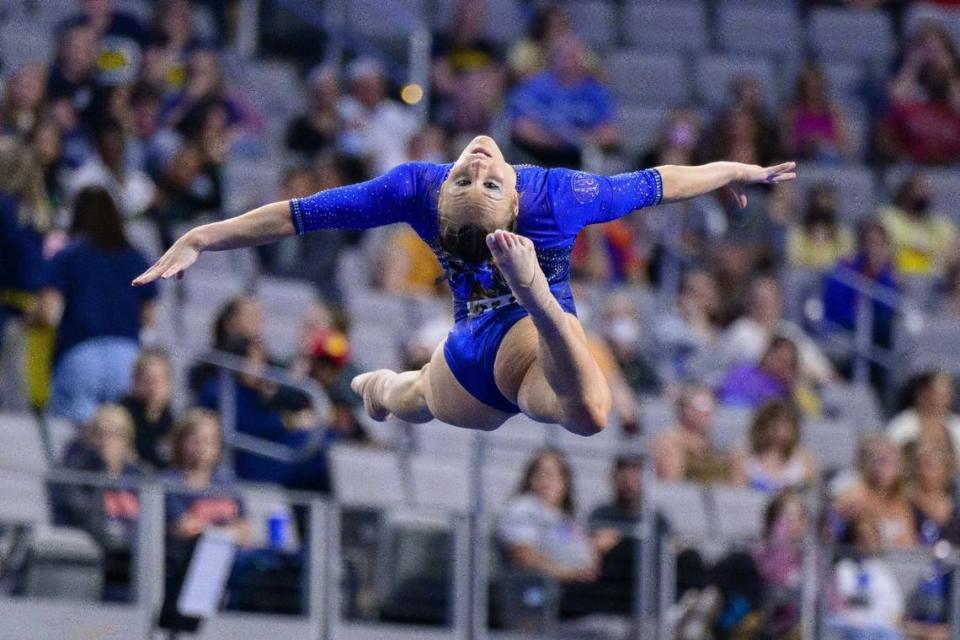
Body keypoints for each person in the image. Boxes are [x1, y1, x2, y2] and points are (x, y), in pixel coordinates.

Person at [134, 134, 796, 437]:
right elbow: (297, 216)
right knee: (419, 392)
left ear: (513, 208)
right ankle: (385, 382)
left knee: (585, 411)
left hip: (527, 348)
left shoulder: (532, 193)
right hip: (477, 349)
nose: (479, 167)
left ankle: (384, 382)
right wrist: (203, 236)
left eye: (479, 180)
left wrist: (729, 169)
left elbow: (660, 182)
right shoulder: (518, 194)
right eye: (471, 180)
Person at [40, 186, 159, 424]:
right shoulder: (137, 258)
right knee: (119, 434)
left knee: (78, 439)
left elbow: (48, 312)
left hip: (80, 353)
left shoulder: (68, 256)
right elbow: (148, 319)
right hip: (127, 357)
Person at [495, 449, 616, 619]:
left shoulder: (565, 518)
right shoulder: (523, 509)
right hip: (538, 600)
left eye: (554, 475)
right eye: (541, 474)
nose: (547, 482)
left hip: (576, 597)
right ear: (529, 479)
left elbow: (583, 558)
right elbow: (524, 557)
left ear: (565, 482)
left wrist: (594, 548)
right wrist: (572, 575)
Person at [59, 404, 146, 601]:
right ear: (89, 438)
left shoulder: (142, 477)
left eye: (115, 434)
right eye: (100, 433)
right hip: (96, 556)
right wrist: (102, 472)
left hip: (133, 559)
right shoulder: (77, 475)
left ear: (127, 439)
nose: (106, 441)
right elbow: (84, 518)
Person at [832, 436, 918, 550]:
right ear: (869, 464)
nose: (885, 468)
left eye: (892, 462)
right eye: (881, 461)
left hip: (899, 561)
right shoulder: (855, 495)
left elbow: (909, 542)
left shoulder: (903, 501)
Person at [651, 385, 742, 486]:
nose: (708, 413)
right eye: (703, 407)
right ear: (685, 409)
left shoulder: (710, 443)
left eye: (711, 408)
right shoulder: (670, 442)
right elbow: (671, 486)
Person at [879, 172, 957, 277]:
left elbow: (952, 252)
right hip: (899, 278)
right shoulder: (887, 218)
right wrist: (931, 252)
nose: (927, 193)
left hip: (935, 281)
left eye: (929, 189)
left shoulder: (940, 223)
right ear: (906, 191)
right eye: (921, 188)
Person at [741, 400, 818, 494]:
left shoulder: (804, 459)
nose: (782, 430)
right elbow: (737, 495)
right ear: (763, 425)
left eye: (787, 425)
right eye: (777, 424)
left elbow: (811, 493)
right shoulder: (744, 456)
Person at [781, 63, 851, 162]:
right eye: (808, 86)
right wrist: (806, 144)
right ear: (801, 88)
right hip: (801, 163)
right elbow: (786, 147)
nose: (812, 90)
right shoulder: (792, 113)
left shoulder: (834, 112)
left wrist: (822, 143)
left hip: (831, 162)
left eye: (816, 86)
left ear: (822, 87)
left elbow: (845, 147)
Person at [120, 347, 175, 468]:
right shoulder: (121, 417)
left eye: (159, 379)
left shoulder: (174, 423)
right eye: (147, 379)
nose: (153, 386)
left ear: (169, 384)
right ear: (134, 382)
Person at [887, 370, 960, 461]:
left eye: (946, 394)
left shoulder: (956, 426)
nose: (942, 400)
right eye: (937, 394)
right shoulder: (902, 426)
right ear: (921, 394)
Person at [786, 183, 854, 271]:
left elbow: (847, 259)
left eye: (828, 200)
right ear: (812, 202)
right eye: (821, 200)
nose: (824, 205)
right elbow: (794, 261)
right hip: (805, 274)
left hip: (834, 276)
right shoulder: (798, 232)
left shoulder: (843, 232)